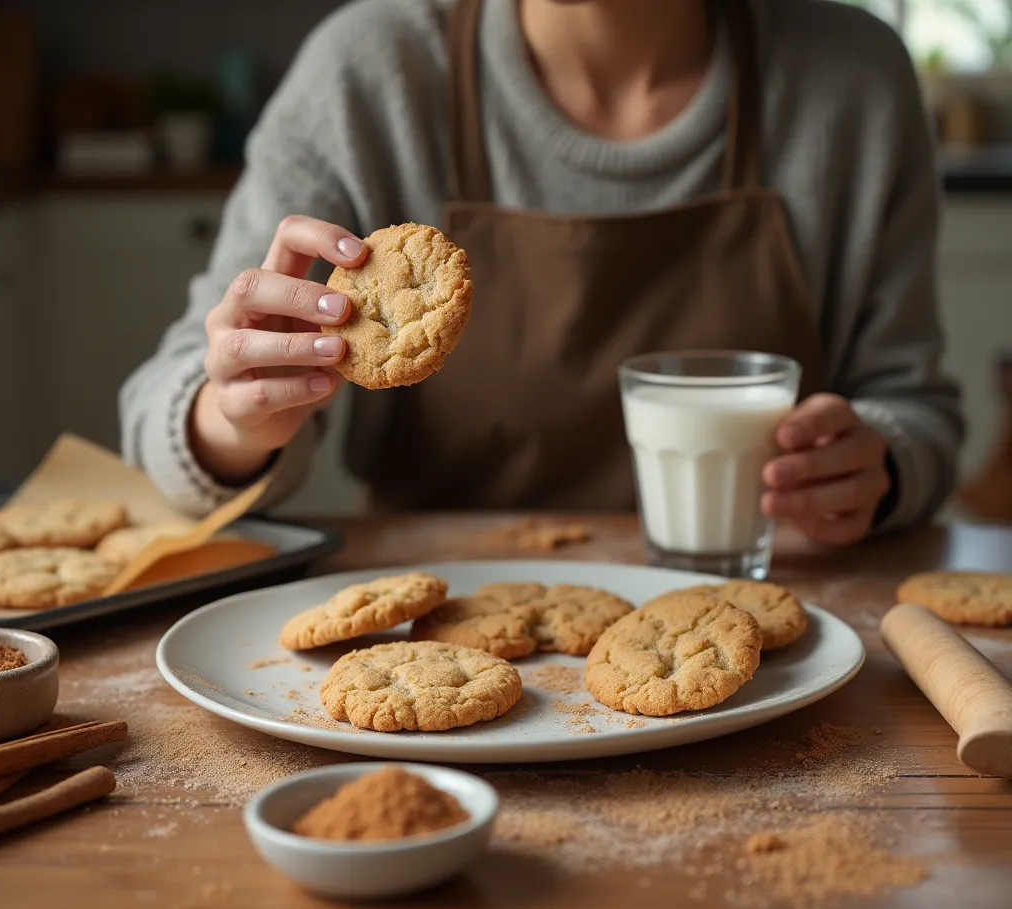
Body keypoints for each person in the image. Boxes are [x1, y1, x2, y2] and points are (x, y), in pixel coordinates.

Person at [121, 0, 962, 545]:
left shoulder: (854, 83)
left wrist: (876, 465)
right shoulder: (368, 77)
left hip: (763, 608)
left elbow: (917, 409)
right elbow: (161, 409)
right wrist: (234, 422)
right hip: (444, 619)